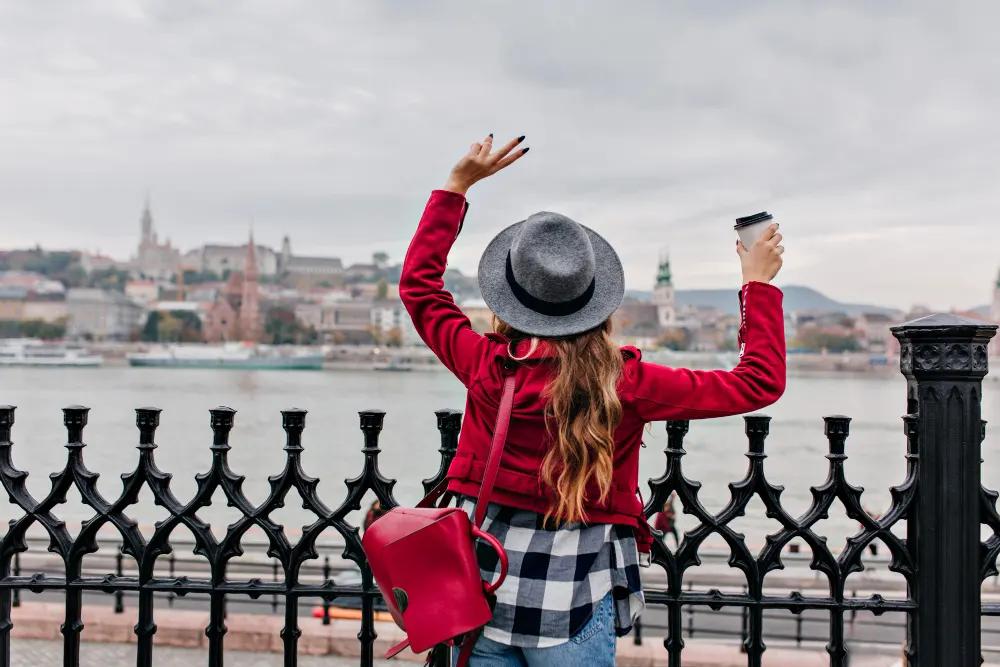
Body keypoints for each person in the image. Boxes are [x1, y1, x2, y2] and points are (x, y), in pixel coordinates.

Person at [399, 134, 786, 666]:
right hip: (574, 600)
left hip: (484, 596)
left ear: (509, 299)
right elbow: (756, 382)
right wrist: (757, 284)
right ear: (594, 301)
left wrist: (456, 187)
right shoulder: (628, 383)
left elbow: (420, 290)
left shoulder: (486, 366)